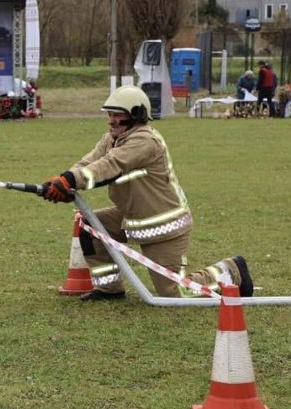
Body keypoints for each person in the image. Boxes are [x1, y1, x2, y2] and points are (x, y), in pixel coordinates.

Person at [43, 85, 253, 302]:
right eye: (110, 114)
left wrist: (69, 180)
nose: (111, 120)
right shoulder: (111, 138)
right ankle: (109, 290)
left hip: (163, 226)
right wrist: (64, 182)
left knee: (175, 293)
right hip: (133, 218)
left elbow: (110, 165)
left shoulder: (145, 141)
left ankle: (232, 270)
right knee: (89, 226)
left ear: (136, 115)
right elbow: (89, 162)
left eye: (117, 115)